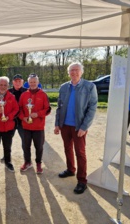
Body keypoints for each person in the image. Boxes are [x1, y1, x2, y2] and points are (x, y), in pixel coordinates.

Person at [54, 62, 97, 194]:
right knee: (67, 149)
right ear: (68, 72)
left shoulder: (89, 86)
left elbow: (92, 108)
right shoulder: (63, 87)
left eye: (77, 70)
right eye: (72, 70)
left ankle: (82, 181)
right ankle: (70, 169)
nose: (74, 72)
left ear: (81, 72)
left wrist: (84, 127)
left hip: (79, 127)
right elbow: (59, 107)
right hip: (65, 125)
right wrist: (57, 124)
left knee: (80, 152)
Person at [19, 74, 51, 174]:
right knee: (26, 146)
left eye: (34, 82)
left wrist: (38, 114)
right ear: (28, 83)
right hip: (26, 126)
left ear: (38, 82)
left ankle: (38, 163)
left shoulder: (43, 95)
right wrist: (23, 117)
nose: (33, 84)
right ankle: (27, 162)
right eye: (31, 82)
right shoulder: (24, 95)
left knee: (39, 146)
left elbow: (47, 109)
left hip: (38, 127)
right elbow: (19, 109)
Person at [0, 74, 27, 162]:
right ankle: (6, 156)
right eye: (16, 81)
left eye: (20, 81)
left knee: (25, 139)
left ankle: (26, 157)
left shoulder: (27, 92)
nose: (18, 83)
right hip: (10, 120)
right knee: (8, 139)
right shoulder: (8, 92)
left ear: (22, 82)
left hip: (22, 120)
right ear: (13, 82)